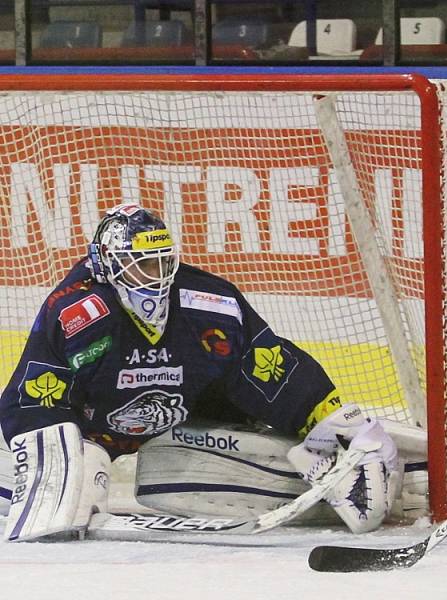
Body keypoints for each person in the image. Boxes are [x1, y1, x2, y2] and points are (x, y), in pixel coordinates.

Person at [0, 203, 399, 541]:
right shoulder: (78, 314)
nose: (154, 278)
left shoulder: (209, 304)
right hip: (86, 433)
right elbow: (35, 399)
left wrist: (329, 417)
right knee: (76, 476)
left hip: (179, 436)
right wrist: (56, 472)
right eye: (141, 267)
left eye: (161, 263)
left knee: (173, 473)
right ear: (108, 266)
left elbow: (266, 368)